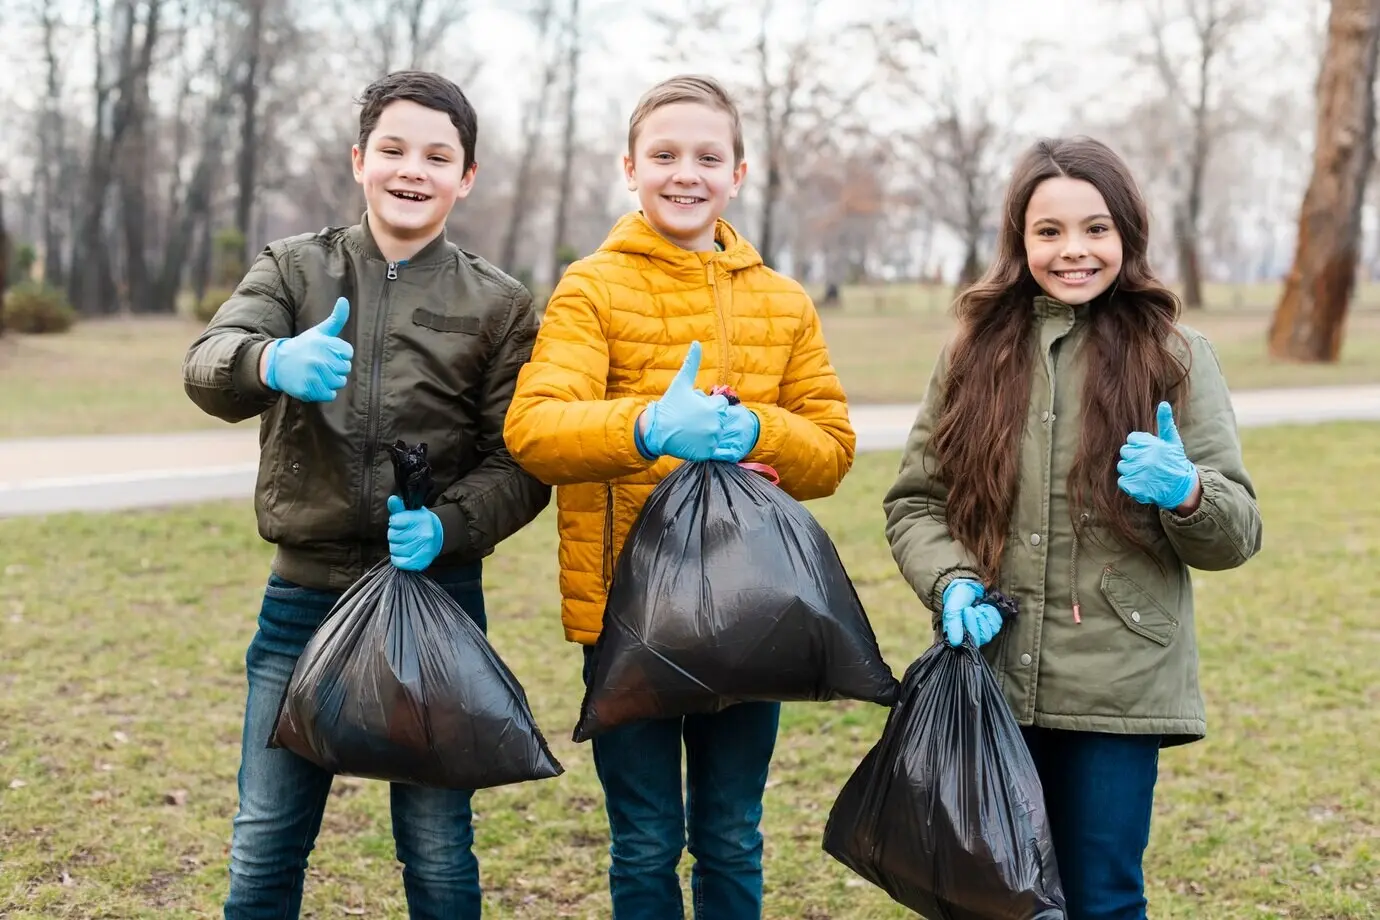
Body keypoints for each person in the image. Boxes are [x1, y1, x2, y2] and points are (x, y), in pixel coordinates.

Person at [181, 70, 550, 920]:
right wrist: (268, 361)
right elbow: (207, 363)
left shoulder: (498, 304)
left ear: (467, 177)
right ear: (359, 161)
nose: (412, 170)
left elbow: (523, 460)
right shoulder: (293, 268)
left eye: (437, 156)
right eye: (393, 149)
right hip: (300, 602)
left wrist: (449, 525)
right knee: (265, 839)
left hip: (437, 603)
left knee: (438, 849)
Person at [882, 136, 1263, 920]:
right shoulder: (974, 354)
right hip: (991, 674)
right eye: (1049, 231)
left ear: (1128, 233)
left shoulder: (1176, 357)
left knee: (1103, 897)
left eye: (1096, 228)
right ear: (1019, 240)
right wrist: (952, 583)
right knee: (996, 898)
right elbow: (917, 502)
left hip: (1119, 685)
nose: (1073, 250)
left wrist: (1188, 491)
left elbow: (1235, 534)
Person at [502, 74, 855, 919]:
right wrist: (649, 426)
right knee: (645, 839)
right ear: (630, 169)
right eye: (663, 155)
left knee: (732, 834)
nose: (685, 173)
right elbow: (535, 430)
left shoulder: (784, 301)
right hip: (631, 618)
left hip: (752, 610)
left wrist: (757, 431)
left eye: (707, 156)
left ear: (738, 172)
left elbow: (832, 452)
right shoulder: (591, 288)